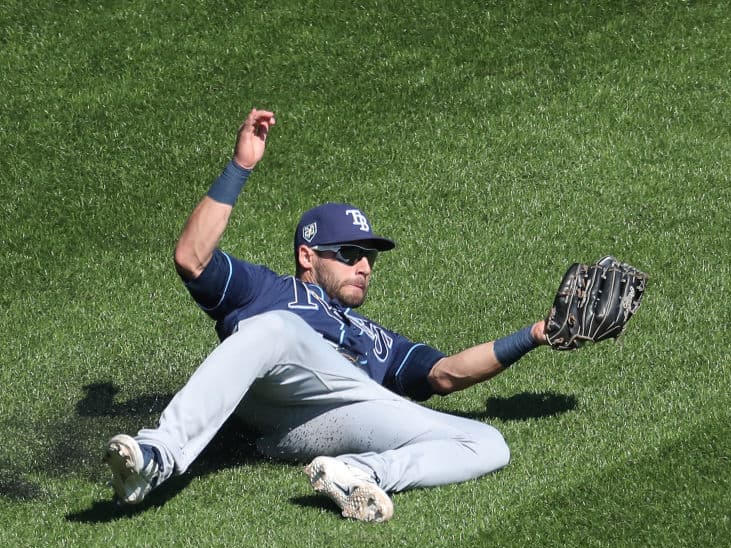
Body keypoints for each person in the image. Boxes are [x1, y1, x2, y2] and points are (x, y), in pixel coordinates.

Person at [105, 108, 548, 522]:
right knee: (276, 328)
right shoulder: (269, 290)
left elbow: (446, 374)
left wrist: (533, 334)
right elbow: (191, 258)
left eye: (370, 257)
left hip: (338, 421)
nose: (365, 266)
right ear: (307, 256)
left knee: (489, 443)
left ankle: (362, 473)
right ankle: (159, 454)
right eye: (350, 254)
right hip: (273, 401)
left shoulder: (377, 337)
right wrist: (240, 167)